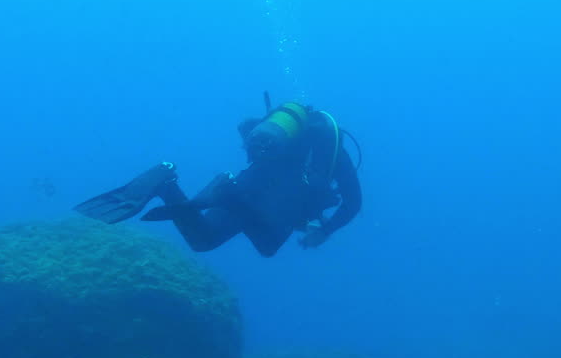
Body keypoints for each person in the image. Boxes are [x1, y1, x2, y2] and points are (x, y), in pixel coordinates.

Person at [74, 96, 362, 257]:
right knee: (268, 245)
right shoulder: (335, 153)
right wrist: (325, 230)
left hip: (249, 183)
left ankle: (166, 180)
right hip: (271, 203)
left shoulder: (287, 139)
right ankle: (230, 198)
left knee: (204, 240)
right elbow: (353, 203)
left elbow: (246, 129)